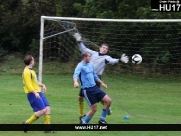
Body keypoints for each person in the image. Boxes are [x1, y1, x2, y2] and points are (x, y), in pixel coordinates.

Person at [73, 33, 129, 123]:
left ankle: (104, 111)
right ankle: (82, 115)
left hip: (96, 79)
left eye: (106, 49)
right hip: (86, 79)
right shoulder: (92, 53)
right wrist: (79, 41)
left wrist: (120, 60)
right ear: (100, 48)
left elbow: (112, 61)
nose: (105, 49)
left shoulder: (106, 58)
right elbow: (83, 49)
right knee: (80, 97)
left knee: (98, 100)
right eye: (103, 47)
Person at [73, 52, 112, 124]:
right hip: (87, 90)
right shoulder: (80, 65)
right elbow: (75, 75)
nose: (90, 57)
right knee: (94, 109)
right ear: (85, 57)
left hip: (95, 88)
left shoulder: (91, 64)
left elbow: (95, 76)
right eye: (89, 56)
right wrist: (75, 82)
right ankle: (84, 123)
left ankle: (102, 120)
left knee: (108, 101)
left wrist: (102, 83)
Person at [22, 55, 55, 133]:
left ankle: (47, 129)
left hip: (38, 92)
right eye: (33, 60)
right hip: (32, 94)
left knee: (47, 107)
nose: (34, 61)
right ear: (31, 62)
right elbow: (28, 85)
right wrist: (35, 93)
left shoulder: (32, 71)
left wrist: (42, 85)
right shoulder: (26, 72)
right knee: (42, 110)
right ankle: (26, 124)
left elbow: (35, 83)